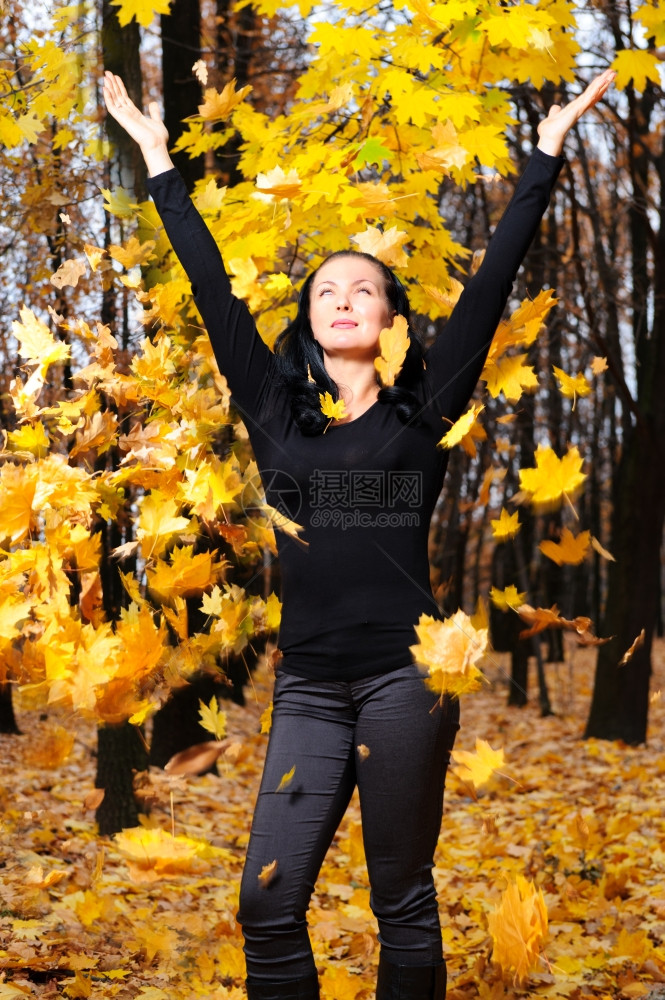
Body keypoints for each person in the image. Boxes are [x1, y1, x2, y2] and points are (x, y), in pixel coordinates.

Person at [103, 67, 615, 1000]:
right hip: (304, 686)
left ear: (390, 319)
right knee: (266, 904)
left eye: (363, 288)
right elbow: (211, 285)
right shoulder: (273, 412)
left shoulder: (425, 412)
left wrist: (544, 154)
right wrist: (155, 162)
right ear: (306, 322)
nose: (341, 297)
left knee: (401, 900)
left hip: (402, 682)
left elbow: (496, 278)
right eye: (325, 289)